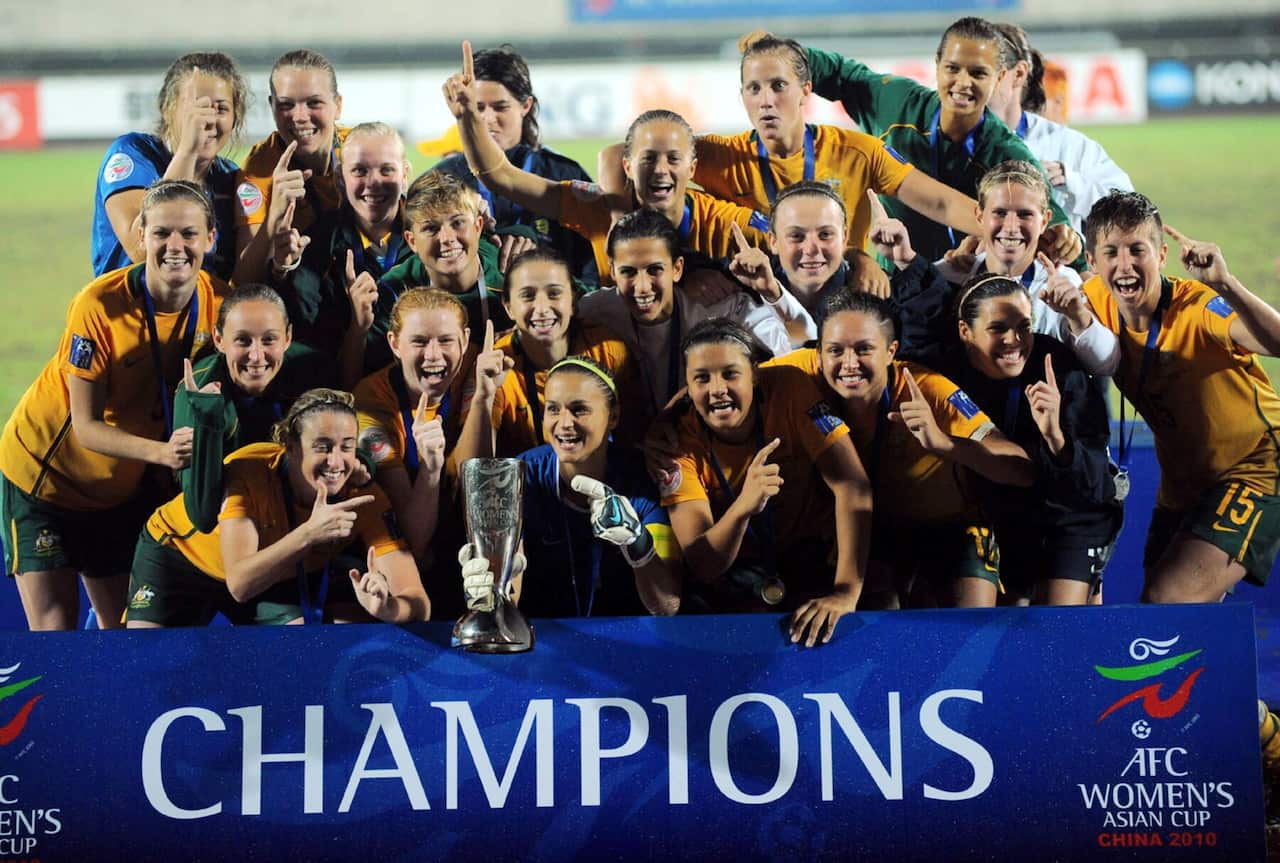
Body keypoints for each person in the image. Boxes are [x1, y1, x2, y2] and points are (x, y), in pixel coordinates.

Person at [0, 180, 228, 630]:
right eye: (161, 233)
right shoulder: (98, 306)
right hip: (45, 479)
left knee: (121, 635)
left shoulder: (218, 302)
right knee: (56, 639)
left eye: (188, 233)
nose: (175, 246)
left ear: (211, 238)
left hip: (119, 488)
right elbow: (85, 426)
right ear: (140, 237)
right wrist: (163, 455)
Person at [766, 289, 1034, 608]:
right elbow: (734, 376)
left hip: (951, 531)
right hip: (874, 529)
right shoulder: (800, 372)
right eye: (835, 351)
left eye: (864, 349)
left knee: (970, 633)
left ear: (891, 351)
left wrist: (943, 443)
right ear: (819, 352)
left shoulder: (925, 388)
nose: (848, 363)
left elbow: (1022, 470)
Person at [1080, 191, 1280, 603]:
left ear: (1162, 254)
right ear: (1092, 261)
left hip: (1256, 465)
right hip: (1183, 482)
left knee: (1169, 600)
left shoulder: (1199, 307)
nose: (1125, 265)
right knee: (1169, 617)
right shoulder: (1094, 302)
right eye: (1111, 252)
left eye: (1138, 249)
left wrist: (1226, 285)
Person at [750, 18, 1080, 264]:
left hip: (966, 288)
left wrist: (1069, 241)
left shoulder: (1005, 152)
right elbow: (839, 73)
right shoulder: (895, 102)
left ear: (999, 79)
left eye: (978, 73)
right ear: (937, 67)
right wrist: (781, 54)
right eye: (952, 68)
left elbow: (1048, 218)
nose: (962, 83)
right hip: (889, 281)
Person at [443, 42, 772, 287]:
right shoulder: (596, 207)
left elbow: (795, 243)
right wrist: (467, 117)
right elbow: (500, 175)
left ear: (693, 169)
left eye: (674, 159)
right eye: (647, 159)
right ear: (627, 167)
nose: (660, 170)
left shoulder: (725, 222)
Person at [127, 389, 428, 626]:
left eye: (347, 446)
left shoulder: (362, 496)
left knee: (294, 657)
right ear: (292, 446)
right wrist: (309, 534)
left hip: (272, 572)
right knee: (147, 662)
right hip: (179, 556)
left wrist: (387, 607)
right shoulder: (249, 471)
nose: (336, 462)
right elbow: (240, 583)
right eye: (322, 447)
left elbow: (418, 601)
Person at [659, 318, 872, 646]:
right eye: (701, 378)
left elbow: (852, 487)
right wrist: (743, 507)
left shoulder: (791, 386)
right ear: (687, 385)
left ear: (754, 374)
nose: (717, 389)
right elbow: (703, 563)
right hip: (734, 576)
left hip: (812, 558)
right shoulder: (673, 442)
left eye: (731, 374)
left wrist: (845, 592)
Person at [945, 274, 1120, 604]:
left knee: (1059, 629)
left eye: (1024, 327)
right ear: (965, 331)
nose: (1014, 341)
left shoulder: (1060, 367)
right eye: (998, 329)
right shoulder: (948, 372)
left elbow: (1095, 485)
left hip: (1071, 518)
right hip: (1002, 517)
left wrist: (1055, 437)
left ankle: (1087, 590)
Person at [460, 357, 681, 618]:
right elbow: (510, 596)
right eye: (553, 409)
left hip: (628, 633)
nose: (564, 423)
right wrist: (494, 591)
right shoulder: (519, 477)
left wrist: (638, 543)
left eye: (579, 409)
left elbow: (667, 606)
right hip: (545, 634)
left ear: (614, 416)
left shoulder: (640, 479)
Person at [579, 209, 791, 423]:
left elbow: (795, 351)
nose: (642, 287)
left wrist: (771, 291)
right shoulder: (594, 310)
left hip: (702, 439)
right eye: (628, 272)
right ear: (612, 271)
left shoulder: (716, 307)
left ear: (677, 268)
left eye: (655, 270)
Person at [927, 160, 1117, 374]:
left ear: (1045, 221)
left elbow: (1106, 364)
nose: (1010, 227)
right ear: (980, 216)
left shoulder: (1062, 283)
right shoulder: (948, 276)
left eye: (1025, 214)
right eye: (999, 213)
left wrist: (1078, 316)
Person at [432, 45, 600, 286]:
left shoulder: (564, 173)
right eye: (478, 108)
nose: (489, 119)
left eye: (500, 107)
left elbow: (593, 266)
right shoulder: (442, 179)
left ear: (526, 106)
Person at [176, 284, 339, 533]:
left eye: (269, 340)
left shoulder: (312, 371)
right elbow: (202, 516)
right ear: (219, 339)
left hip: (286, 525)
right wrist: (208, 420)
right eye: (243, 340)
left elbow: (351, 450)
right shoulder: (198, 391)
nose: (256, 356)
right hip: (210, 547)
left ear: (287, 338)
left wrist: (363, 463)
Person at [343, 170, 514, 385]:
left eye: (458, 223)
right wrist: (358, 329)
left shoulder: (512, 274)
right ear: (412, 241)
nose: (447, 239)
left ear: (478, 227)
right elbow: (354, 384)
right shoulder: (394, 289)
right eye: (431, 228)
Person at [92, 51, 247, 281]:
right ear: (167, 109)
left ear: (235, 117)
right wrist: (188, 152)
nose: (208, 119)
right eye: (197, 108)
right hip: (128, 315)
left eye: (221, 109)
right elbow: (141, 250)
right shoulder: (133, 155)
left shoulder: (232, 180)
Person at [271, 121, 415, 358]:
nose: (374, 182)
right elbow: (302, 325)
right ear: (340, 177)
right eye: (359, 171)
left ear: (405, 174)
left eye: (386, 170)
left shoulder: (429, 230)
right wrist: (282, 271)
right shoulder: (320, 239)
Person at [488, 248, 636, 455]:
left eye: (554, 294)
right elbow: (473, 464)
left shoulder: (607, 350)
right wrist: (482, 398)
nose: (541, 308)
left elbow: (634, 436)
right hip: (530, 483)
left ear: (573, 302)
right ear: (509, 307)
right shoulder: (498, 367)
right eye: (528, 296)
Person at [989, 23, 1133, 235]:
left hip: (1058, 268)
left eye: (983, 71)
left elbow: (1130, 216)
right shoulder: (947, 141)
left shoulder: (1069, 145)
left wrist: (1072, 182)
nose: (967, 82)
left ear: (1019, 74)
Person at [233, 49, 346, 285]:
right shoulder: (259, 169)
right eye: (286, 105)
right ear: (271, 106)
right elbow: (243, 282)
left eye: (314, 102)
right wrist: (274, 216)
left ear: (337, 105)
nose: (300, 116)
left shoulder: (360, 152)